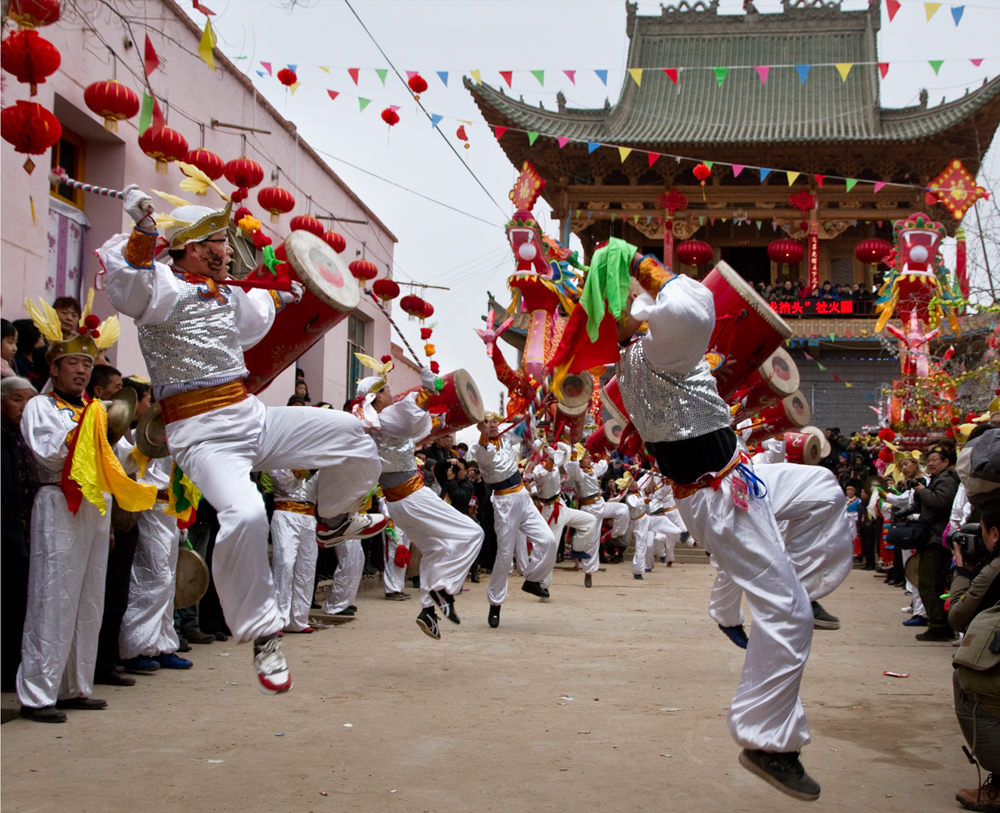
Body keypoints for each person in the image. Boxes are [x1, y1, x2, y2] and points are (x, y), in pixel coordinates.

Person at [97, 183, 385, 694]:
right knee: (247, 512)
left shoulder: (227, 294)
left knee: (357, 436)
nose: (229, 251)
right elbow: (131, 284)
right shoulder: (161, 288)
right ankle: (262, 633)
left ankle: (334, 515)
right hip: (203, 436)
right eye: (222, 243)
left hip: (251, 416)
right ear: (196, 247)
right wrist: (143, 228)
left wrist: (286, 290)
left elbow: (258, 319)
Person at [588, 238, 827, 800]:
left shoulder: (640, 359)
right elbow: (694, 309)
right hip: (720, 497)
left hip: (736, 480)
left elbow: (688, 319)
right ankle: (770, 742)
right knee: (788, 615)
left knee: (820, 487)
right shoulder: (655, 355)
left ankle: (806, 587)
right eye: (637, 297)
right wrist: (644, 266)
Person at [17, 316, 156, 722]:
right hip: (60, 502)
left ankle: (75, 686)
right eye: (72, 363)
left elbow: (120, 460)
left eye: (86, 363)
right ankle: (38, 693)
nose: (80, 369)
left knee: (89, 599)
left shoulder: (98, 410)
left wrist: (147, 443)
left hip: (96, 507)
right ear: (54, 368)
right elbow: (51, 453)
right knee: (52, 598)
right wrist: (94, 428)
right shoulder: (42, 407)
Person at [354, 357, 483, 638]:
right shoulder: (384, 419)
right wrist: (424, 392)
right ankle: (442, 592)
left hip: (398, 503)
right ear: (377, 397)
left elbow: (417, 427)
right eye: (386, 390)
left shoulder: (375, 423)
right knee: (473, 534)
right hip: (412, 497)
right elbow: (410, 416)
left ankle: (428, 610)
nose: (391, 393)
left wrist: (431, 398)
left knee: (436, 549)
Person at [471, 413, 557, 629]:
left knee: (548, 541)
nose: (491, 425)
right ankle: (495, 603)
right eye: (486, 422)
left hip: (523, 496)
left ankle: (532, 580)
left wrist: (532, 410)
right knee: (505, 554)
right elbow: (486, 455)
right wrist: (485, 434)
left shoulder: (507, 436)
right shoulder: (479, 448)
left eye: (493, 421)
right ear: (480, 426)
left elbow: (526, 428)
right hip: (504, 501)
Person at [1, 376, 37, 690]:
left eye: (28, 401)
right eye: (16, 399)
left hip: (23, 535)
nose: (23, 407)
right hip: (7, 533)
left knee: (16, 607)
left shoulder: (24, 438)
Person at [527, 440, 598, 587]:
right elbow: (545, 471)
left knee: (590, 521)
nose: (547, 450)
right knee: (550, 549)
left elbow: (563, 452)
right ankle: (543, 586)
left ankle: (577, 549)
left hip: (561, 506)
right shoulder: (538, 470)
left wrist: (563, 445)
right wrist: (552, 456)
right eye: (544, 449)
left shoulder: (550, 463)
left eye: (547, 448)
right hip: (551, 512)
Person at [913, 446, 961, 642]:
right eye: (929, 460)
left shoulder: (948, 479)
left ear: (946, 462)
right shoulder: (938, 479)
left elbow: (941, 502)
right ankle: (938, 623)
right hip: (932, 537)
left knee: (930, 582)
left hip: (937, 539)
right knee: (927, 582)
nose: (930, 464)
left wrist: (923, 491)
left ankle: (939, 626)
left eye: (935, 460)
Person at [267, 468, 319, 633]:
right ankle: (278, 619)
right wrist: (300, 467)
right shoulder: (282, 450)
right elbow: (283, 482)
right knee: (285, 565)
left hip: (310, 515)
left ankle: (299, 619)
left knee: (306, 568)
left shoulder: (316, 454)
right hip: (285, 512)